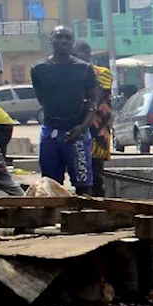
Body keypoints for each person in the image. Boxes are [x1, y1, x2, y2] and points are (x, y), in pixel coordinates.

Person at [31, 26, 98, 195]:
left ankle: (84, 218)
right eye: (59, 37)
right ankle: (54, 219)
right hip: (50, 132)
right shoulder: (38, 69)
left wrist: (82, 127)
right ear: (51, 40)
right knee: (49, 185)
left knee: (84, 186)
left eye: (68, 38)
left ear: (72, 42)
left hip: (78, 134)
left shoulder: (84, 69)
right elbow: (42, 99)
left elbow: (93, 102)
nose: (63, 41)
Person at [73, 40, 114, 196]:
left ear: (89, 56)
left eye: (81, 56)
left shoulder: (103, 73)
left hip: (98, 131)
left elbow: (95, 97)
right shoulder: (73, 73)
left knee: (96, 174)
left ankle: (98, 208)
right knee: (80, 173)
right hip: (79, 128)